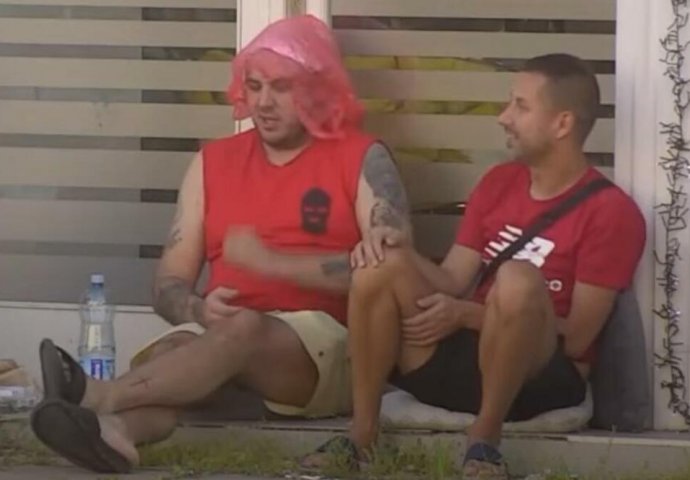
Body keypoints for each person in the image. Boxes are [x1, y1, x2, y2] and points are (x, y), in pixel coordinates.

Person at [29, 14, 411, 474]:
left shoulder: (363, 156)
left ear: (318, 88)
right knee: (175, 352)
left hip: (327, 350)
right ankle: (117, 433)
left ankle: (100, 396)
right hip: (224, 341)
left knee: (244, 329)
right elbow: (168, 284)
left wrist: (272, 263)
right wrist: (197, 310)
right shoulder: (212, 162)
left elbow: (394, 274)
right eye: (254, 86)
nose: (263, 103)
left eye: (281, 87)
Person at [306, 54, 646, 479]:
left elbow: (578, 337)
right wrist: (400, 251)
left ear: (562, 124)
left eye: (521, 106)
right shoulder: (499, 183)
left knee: (517, 277)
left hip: (538, 377)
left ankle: (484, 441)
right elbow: (452, 279)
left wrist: (469, 314)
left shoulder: (611, 212)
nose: (504, 117)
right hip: (467, 357)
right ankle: (362, 435)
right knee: (380, 263)